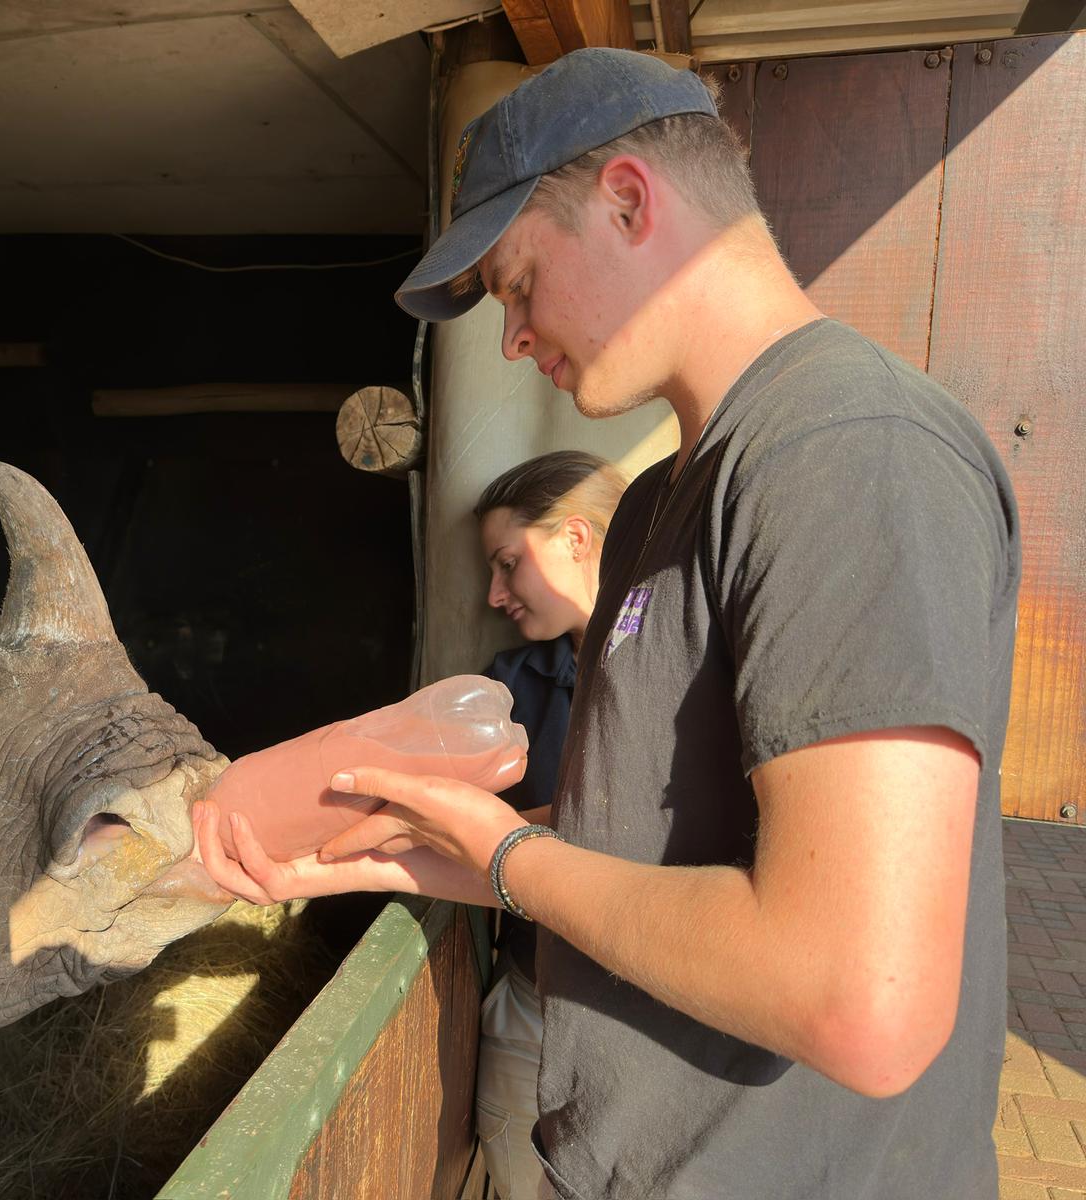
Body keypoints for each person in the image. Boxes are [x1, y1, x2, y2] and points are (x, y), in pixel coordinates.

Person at [194, 46, 1019, 1200]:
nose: (515, 336)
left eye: (518, 284)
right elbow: (636, 868)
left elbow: (862, 999)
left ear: (630, 200)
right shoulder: (650, 506)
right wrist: (377, 857)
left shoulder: (846, 450)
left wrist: (506, 852)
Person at [473, 451, 626, 1200]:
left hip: (643, 1018)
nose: (494, 594)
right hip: (530, 993)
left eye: (508, 564)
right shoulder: (511, 683)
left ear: (574, 538)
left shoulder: (682, 668)